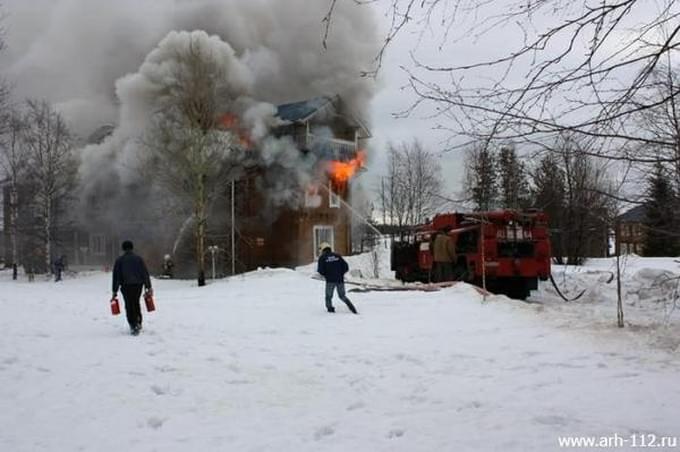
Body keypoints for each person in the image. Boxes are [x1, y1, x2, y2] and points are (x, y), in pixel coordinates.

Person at [112, 240, 152, 335]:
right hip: (138, 285)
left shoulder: (119, 260)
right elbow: (144, 273)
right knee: (136, 302)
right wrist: (148, 286)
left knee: (129, 304)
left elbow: (116, 276)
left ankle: (133, 324)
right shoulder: (138, 259)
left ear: (123, 248)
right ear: (132, 247)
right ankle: (138, 321)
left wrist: (114, 290)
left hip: (126, 286)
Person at [316, 242, 358, 314]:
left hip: (330, 281)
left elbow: (320, 271)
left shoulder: (322, 258)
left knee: (328, 296)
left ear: (323, 249)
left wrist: (326, 274)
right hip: (340, 280)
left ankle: (330, 309)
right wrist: (340, 274)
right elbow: (346, 267)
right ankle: (352, 307)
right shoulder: (337, 256)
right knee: (342, 296)